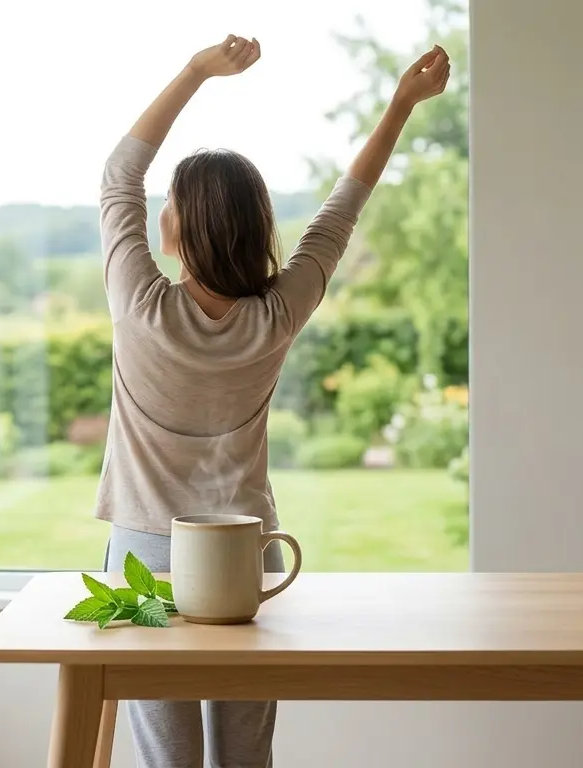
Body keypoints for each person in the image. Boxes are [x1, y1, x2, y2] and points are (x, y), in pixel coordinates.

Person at [95, 34, 451, 767]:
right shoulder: (276, 316)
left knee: (168, 756)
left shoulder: (140, 306)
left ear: (181, 226)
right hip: (244, 551)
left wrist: (197, 70)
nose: (159, 210)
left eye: (170, 204)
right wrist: (400, 106)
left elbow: (118, 174)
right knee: (245, 751)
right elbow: (342, 212)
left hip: (142, 549)